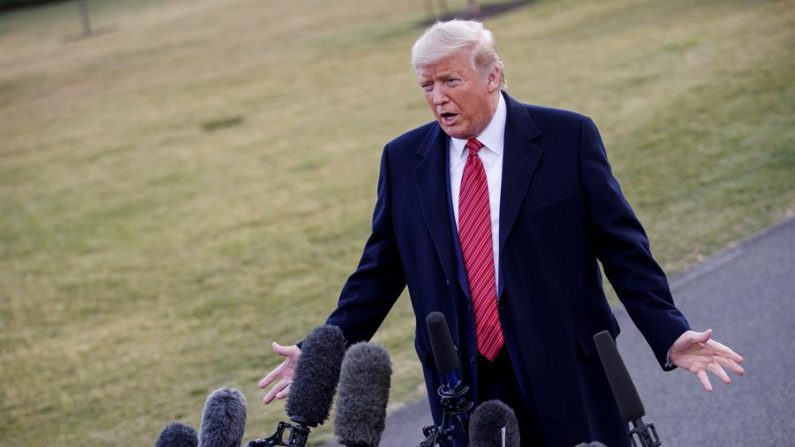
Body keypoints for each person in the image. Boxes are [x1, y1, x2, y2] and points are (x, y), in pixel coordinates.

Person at [258, 20, 744, 446]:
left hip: (566, 369)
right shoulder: (404, 159)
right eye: (426, 85)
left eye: (450, 80)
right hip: (462, 381)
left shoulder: (566, 139)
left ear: (494, 77)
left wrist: (669, 332)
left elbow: (624, 251)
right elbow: (378, 273)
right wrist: (322, 353)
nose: (437, 97)